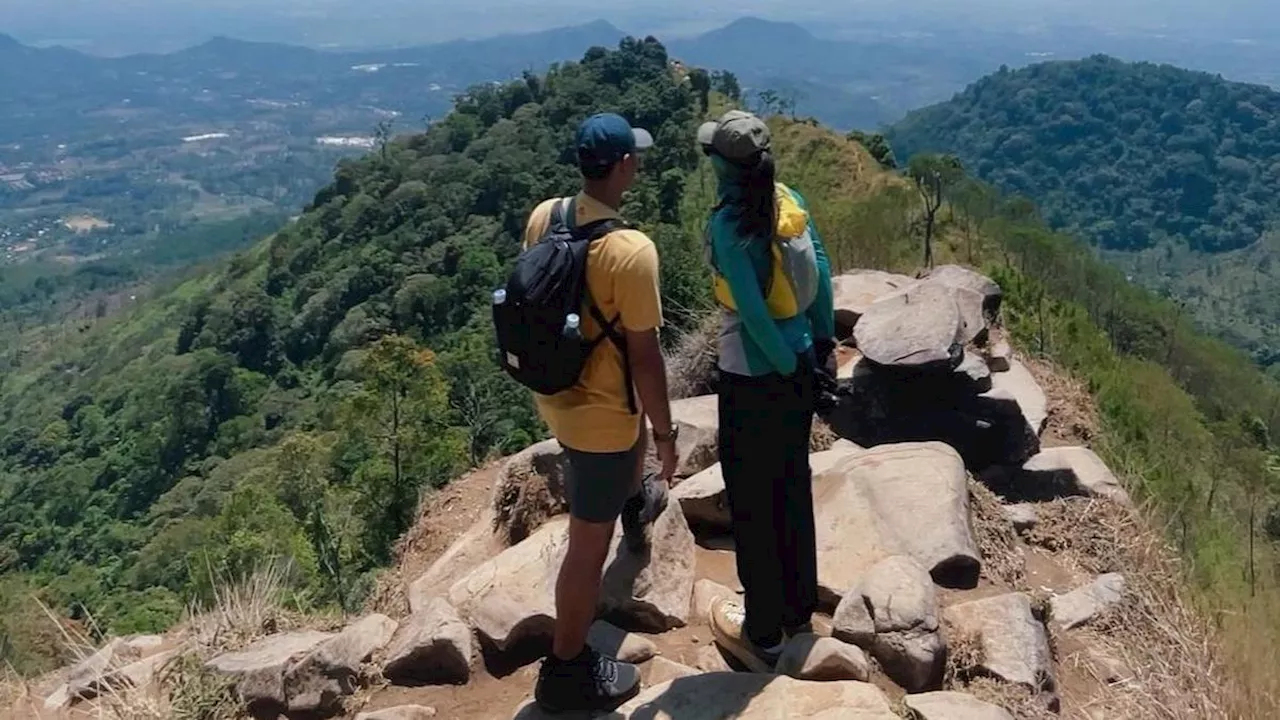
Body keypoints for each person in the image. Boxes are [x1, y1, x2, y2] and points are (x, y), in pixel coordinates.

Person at [522, 112, 679, 714]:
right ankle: (565, 669)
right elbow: (645, 357)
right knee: (588, 547)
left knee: (619, 458)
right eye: (633, 157)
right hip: (601, 421)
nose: (638, 163)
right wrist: (666, 436)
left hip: (556, 396)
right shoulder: (631, 251)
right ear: (623, 167)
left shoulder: (547, 215)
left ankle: (634, 499)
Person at [696, 110, 837, 672]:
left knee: (752, 501)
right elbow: (822, 270)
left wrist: (779, 364)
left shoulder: (730, 223)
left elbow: (751, 314)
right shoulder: (788, 199)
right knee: (791, 484)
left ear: (721, 167)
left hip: (754, 377)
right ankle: (799, 610)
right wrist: (818, 348)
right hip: (801, 361)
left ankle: (763, 633)